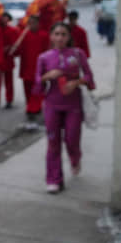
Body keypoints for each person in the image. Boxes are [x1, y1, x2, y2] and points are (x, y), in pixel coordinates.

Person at [34, 23, 95, 193]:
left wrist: (75, 82)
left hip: (73, 105)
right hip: (52, 105)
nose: (60, 37)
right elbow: (37, 85)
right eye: (56, 34)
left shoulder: (78, 54)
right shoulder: (44, 58)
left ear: (68, 37)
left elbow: (89, 76)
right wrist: (47, 76)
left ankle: (75, 157)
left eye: (63, 34)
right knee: (53, 143)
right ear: (51, 36)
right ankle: (54, 179)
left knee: (71, 138)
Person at [12, 14, 50, 120]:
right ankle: (31, 106)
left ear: (38, 24)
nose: (31, 25)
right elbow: (19, 51)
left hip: (39, 69)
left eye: (34, 23)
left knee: (37, 89)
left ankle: (32, 109)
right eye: (29, 23)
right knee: (27, 90)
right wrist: (14, 49)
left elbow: (48, 52)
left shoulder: (44, 35)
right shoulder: (23, 35)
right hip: (26, 68)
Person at [0, 12, 20, 108]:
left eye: (6, 17)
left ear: (9, 19)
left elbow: (16, 44)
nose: (4, 19)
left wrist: (9, 48)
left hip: (8, 59)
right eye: (2, 17)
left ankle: (9, 100)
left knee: (9, 82)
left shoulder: (13, 30)